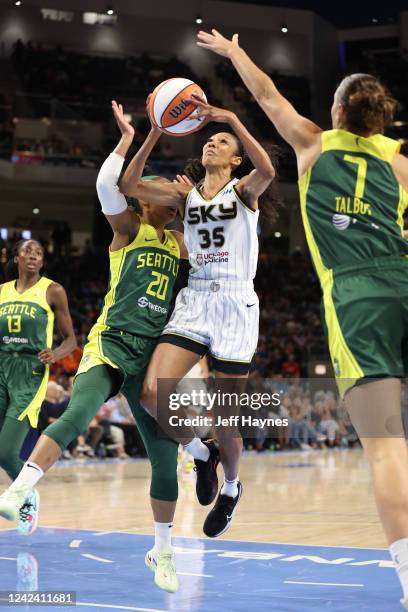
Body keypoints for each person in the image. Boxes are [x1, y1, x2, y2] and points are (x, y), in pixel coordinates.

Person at [196, 28, 408, 608]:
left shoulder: (315, 143)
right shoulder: (401, 164)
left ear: (338, 111)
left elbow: (266, 97)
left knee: (389, 448)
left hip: (360, 297)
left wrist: (237, 51)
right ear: (382, 122)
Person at [0, 101, 188, 593]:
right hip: (111, 344)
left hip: (152, 354)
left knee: (164, 455)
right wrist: (133, 138)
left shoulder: (182, 243)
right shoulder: (129, 230)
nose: (170, 192)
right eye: (163, 189)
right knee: (77, 414)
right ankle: (20, 489)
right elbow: (111, 185)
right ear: (148, 202)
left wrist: (196, 200)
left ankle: (162, 550)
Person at [120, 93, 279, 538]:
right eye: (209, 140)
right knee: (152, 394)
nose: (212, 144)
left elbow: (267, 170)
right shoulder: (183, 196)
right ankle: (200, 452)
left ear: (235, 158)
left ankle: (231, 486)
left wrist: (231, 116)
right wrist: (155, 129)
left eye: (222, 141)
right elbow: (130, 186)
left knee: (226, 418)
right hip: (195, 300)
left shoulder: (245, 190)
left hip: (234, 303)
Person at [0, 239, 76, 535]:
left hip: (30, 371)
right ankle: (24, 490)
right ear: (16, 257)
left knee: (6, 451)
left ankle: (27, 494)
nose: (32, 256)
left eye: (39, 253)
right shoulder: (2, 292)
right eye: (27, 251)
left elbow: (70, 339)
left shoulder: (53, 290)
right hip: (1, 365)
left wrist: (56, 354)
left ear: (42, 262)